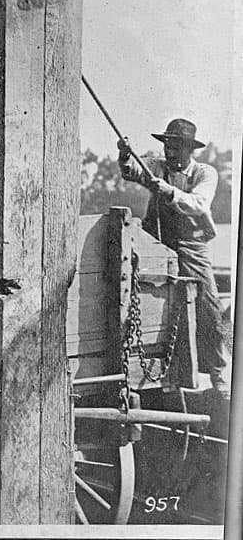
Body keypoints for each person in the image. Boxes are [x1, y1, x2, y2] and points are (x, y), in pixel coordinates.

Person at [116, 118, 231, 400]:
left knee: (209, 308)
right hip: (159, 243)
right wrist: (124, 153)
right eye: (167, 144)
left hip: (193, 247)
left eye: (176, 145)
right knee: (155, 304)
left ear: (189, 148)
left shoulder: (205, 173)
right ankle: (165, 373)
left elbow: (198, 204)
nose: (170, 151)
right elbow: (131, 172)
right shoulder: (156, 167)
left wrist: (168, 191)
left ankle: (219, 376)